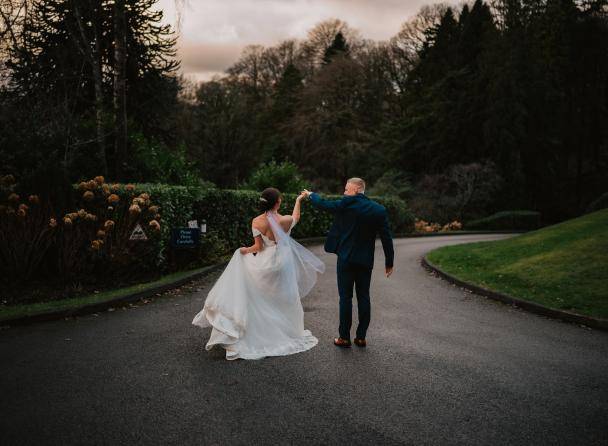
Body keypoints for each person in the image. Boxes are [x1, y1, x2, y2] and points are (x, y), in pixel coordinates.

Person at [192, 188, 325, 360]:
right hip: (282, 263)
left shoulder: (256, 221)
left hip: (266, 262)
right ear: (278, 203)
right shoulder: (284, 220)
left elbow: (259, 248)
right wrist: (299, 200)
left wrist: (244, 250)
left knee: (259, 297)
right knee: (283, 298)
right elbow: (296, 217)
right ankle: (285, 330)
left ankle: (257, 331)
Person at [302, 177, 394, 348]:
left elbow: (325, 204)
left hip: (345, 258)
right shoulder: (378, 210)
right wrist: (389, 262)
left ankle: (344, 338)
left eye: (346, 189)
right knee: (364, 297)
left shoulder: (346, 204)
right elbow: (386, 237)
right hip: (365, 261)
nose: (344, 193)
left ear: (357, 190)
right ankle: (361, 337)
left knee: (345, 298)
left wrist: (310, 195)